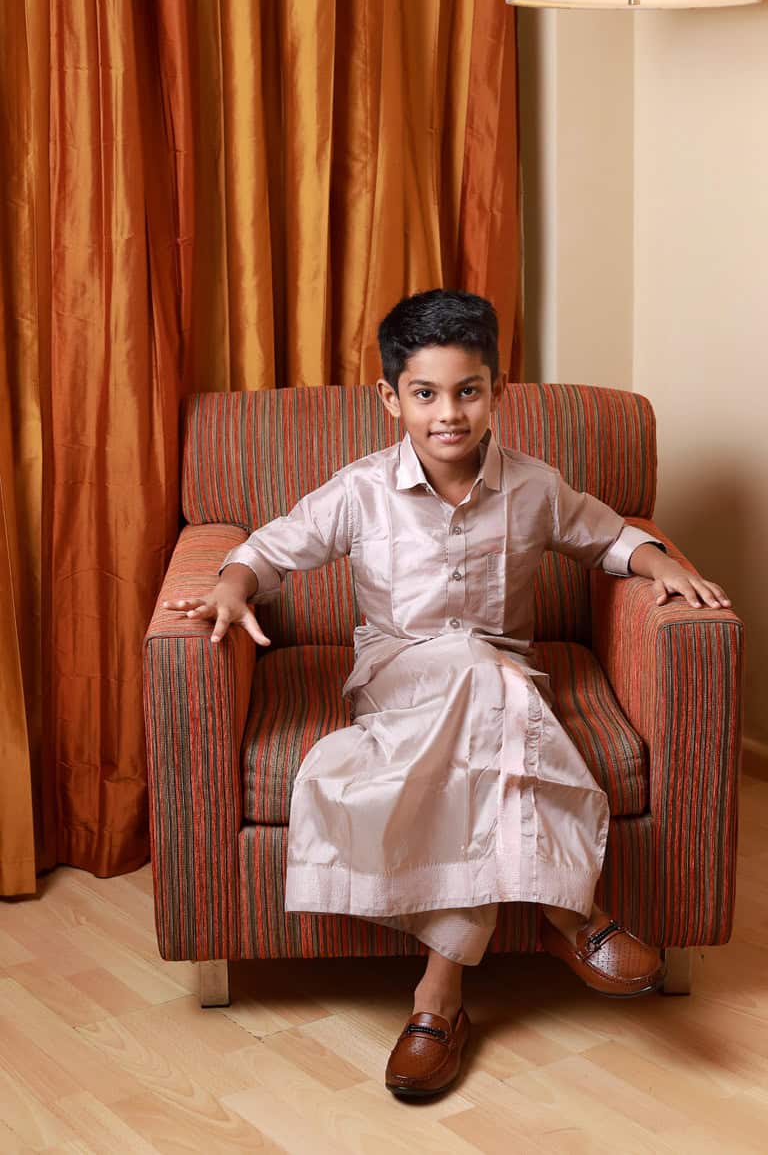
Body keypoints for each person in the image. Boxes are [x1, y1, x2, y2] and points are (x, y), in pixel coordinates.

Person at [163, 289, 731, 1100]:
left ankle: (439, 999)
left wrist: (658, 563)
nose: (448, 413)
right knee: (477, 669)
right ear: (391, 400)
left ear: (496, 390)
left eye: (467, 390)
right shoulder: (360, 490)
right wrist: (231, 586)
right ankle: (570, 911)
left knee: (487, 676)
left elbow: (606, 534)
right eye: (425, 394)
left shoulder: (533, 486)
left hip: (503, 686)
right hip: (400, 679)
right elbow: (272, 548)